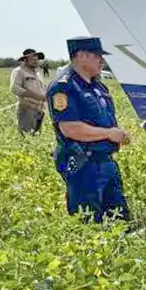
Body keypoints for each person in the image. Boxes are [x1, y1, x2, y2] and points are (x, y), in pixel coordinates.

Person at [47, 36, 131, 223]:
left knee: (119, 220)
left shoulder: (97, 86)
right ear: (81, 56)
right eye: (97, 56)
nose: (102, 60)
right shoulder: (65, 87)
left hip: (106, 161)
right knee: (88, 222)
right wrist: (110, 134)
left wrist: (118, 133)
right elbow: (70, 128)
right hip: (83, 163)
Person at [11, 48, 47, 134]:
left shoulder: (37, 73)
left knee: (36, 136)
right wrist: (37, 96)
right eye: (33, 59)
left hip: (39, 109)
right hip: (27, 109)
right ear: (25, 60)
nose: (36, 61)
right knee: (26, 135)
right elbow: (15, 88)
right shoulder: (19, 71)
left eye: (37, 59)